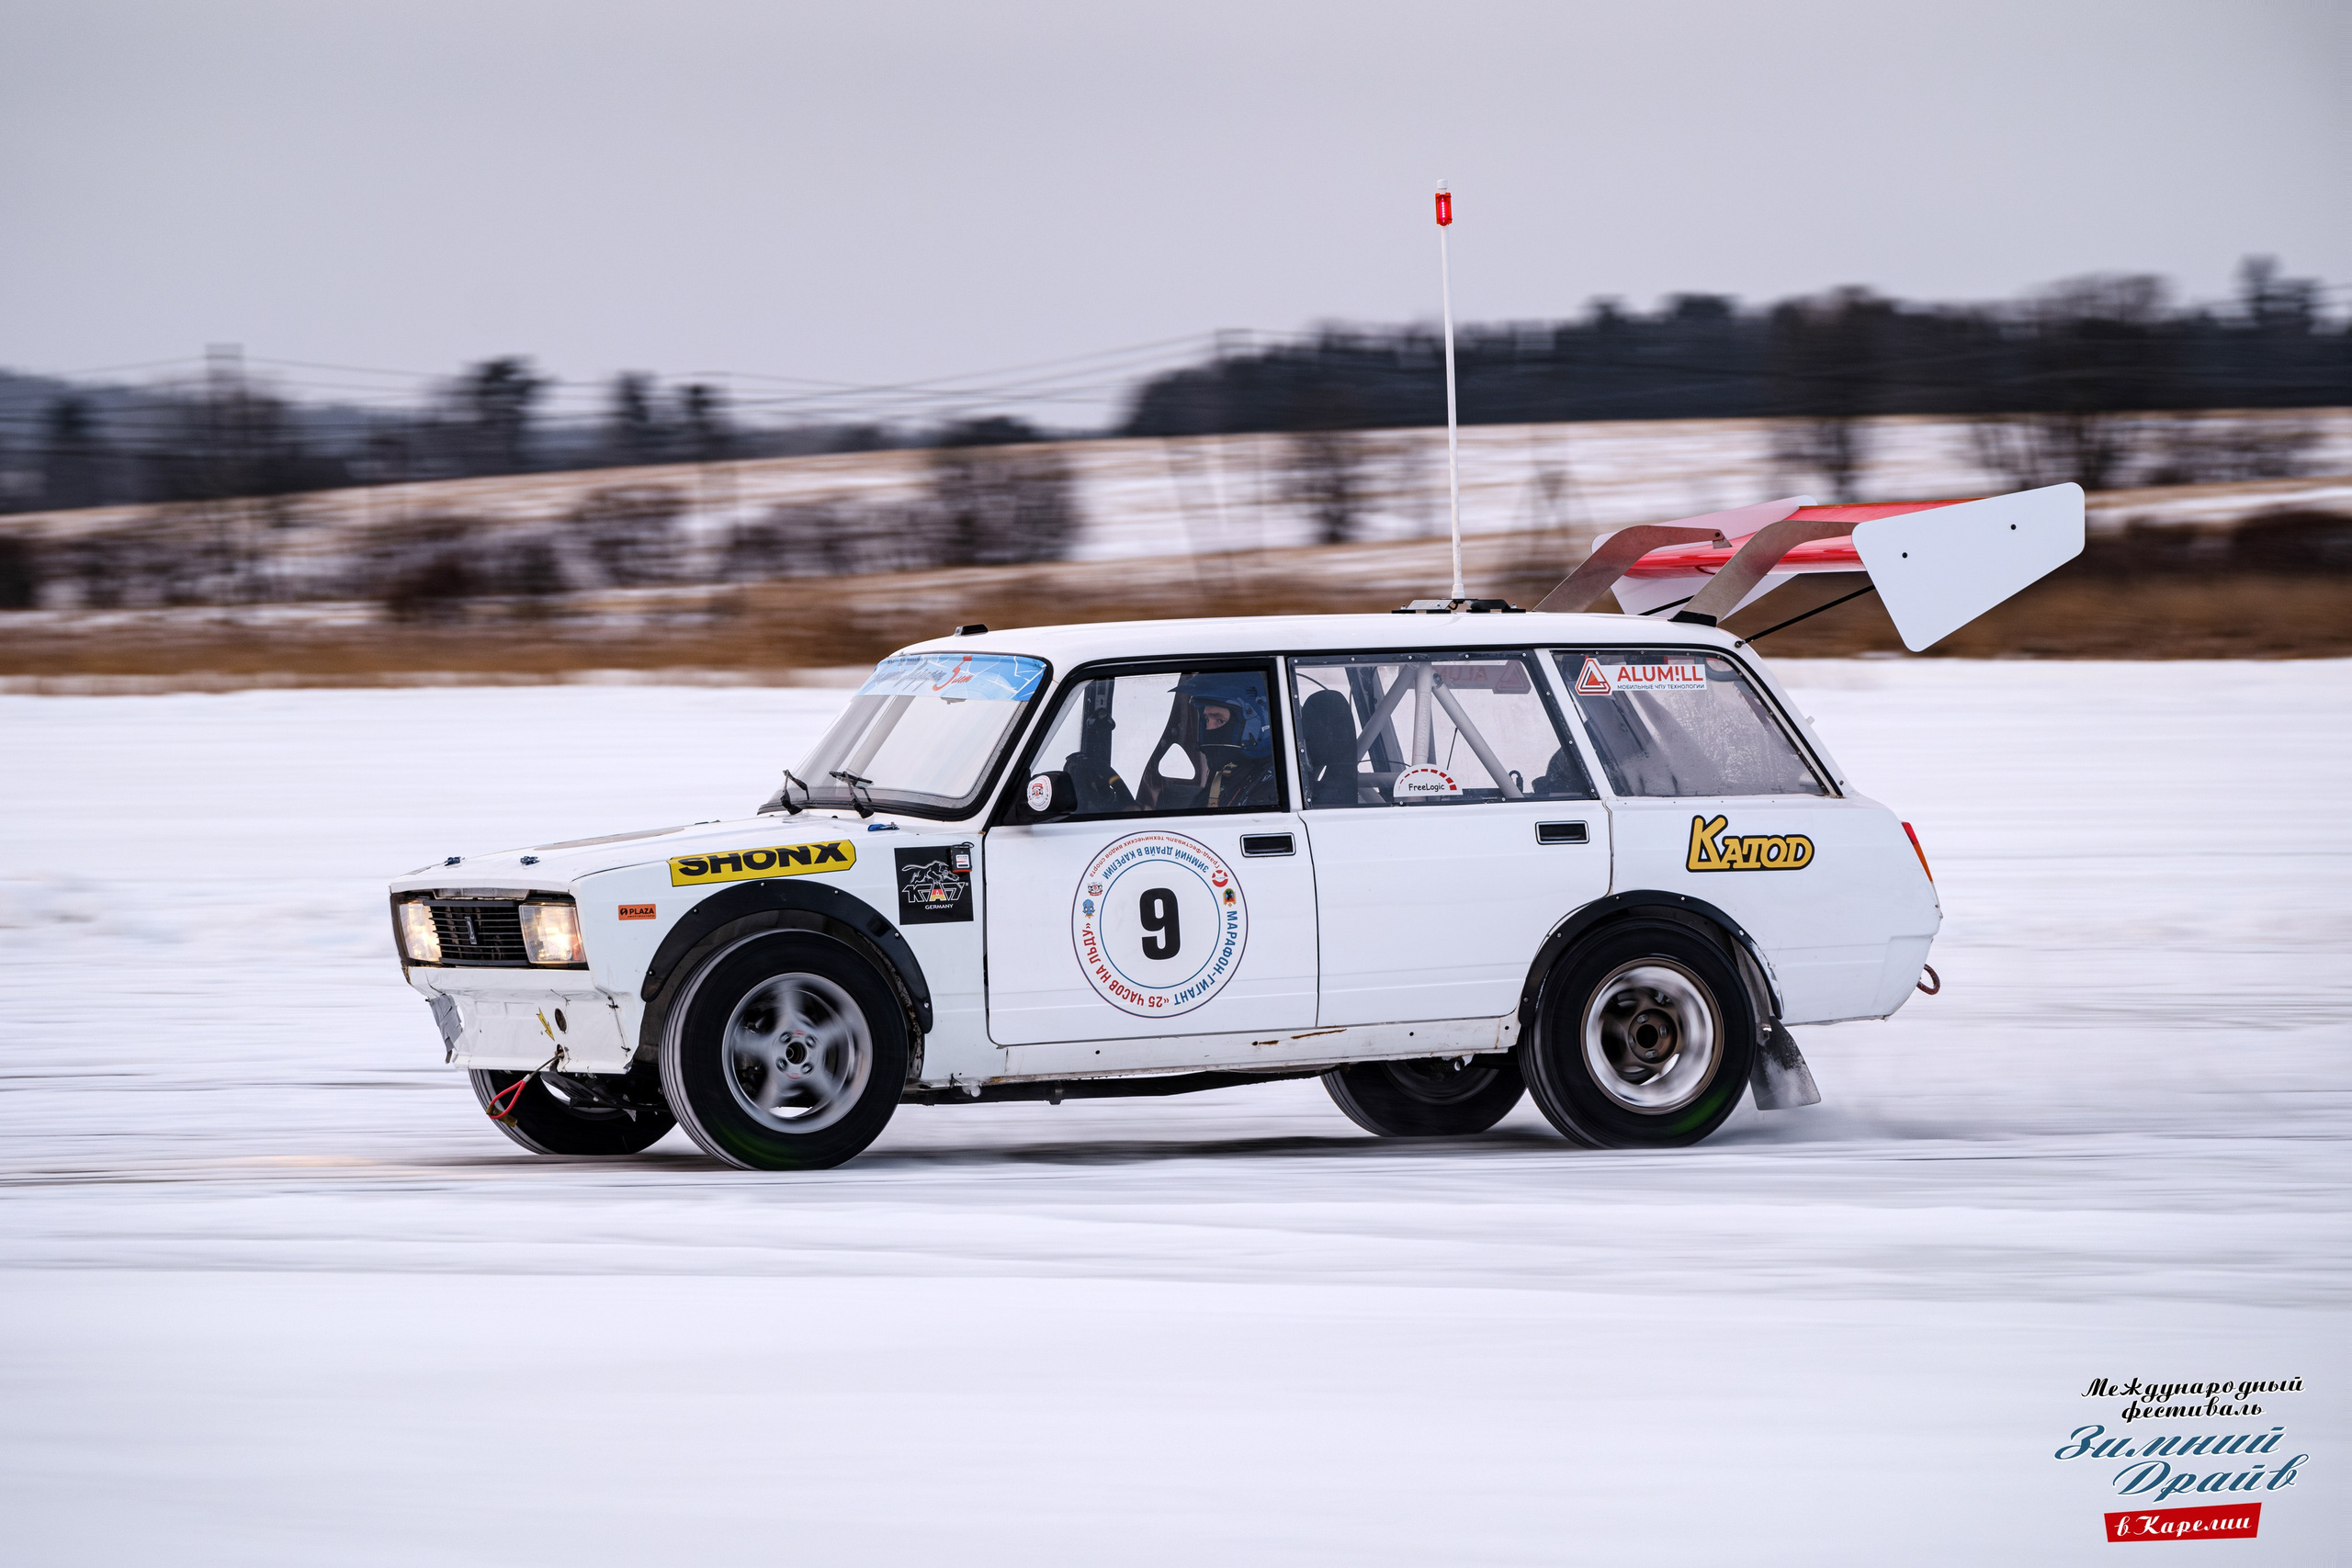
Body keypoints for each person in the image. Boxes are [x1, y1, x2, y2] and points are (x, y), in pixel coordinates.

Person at [1138, 671, 1277, 811]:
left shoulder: (1271, 789)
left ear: (1255, 726)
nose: (1208, 728)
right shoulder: (1231, 774)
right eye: (1206, 720)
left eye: (1219, 720)